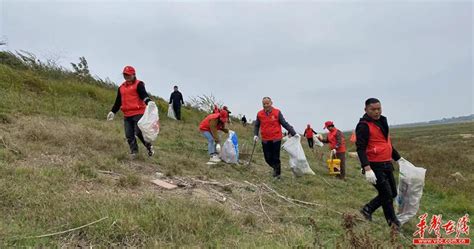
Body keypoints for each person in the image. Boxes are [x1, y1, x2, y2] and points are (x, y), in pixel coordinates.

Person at [356, 98, 403, 229]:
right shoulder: (363, 126)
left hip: (387, 163)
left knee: (392, 193)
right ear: (366, 110)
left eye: (379, 109)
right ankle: (393, 224)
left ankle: (367, 209)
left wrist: (399, 159)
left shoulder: (382, 121)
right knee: (386, 195)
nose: (377, 112)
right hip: (374, 166)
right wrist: (367, 168)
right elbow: (360, 148)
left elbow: (386, 143)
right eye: (373, 109)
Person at [107, 66, 154, 159]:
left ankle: (149, 146)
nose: (126, 76)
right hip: (127, 114)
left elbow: (143, 95)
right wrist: (113, 111)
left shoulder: (138, 84)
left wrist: (149, 102)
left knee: (138, 131)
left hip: (138, 112)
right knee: (129, 134)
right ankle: (134, 152)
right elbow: (118, 101)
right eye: (125, 74)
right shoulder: (121, 88)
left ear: (133, 75)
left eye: (128, 74)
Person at [254, 97, 297, 179]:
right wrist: (255, 135)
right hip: (265, 139)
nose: (266, 105)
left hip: (276, 138)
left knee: (276, 157)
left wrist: (293, 133)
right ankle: (275, 168)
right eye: (264, 104)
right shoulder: (259, 114)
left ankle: (277, 174)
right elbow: (257, 125)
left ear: (271, 103)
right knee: (267, 158)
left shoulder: (277, 112)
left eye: (267, 103)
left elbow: (284, 123)